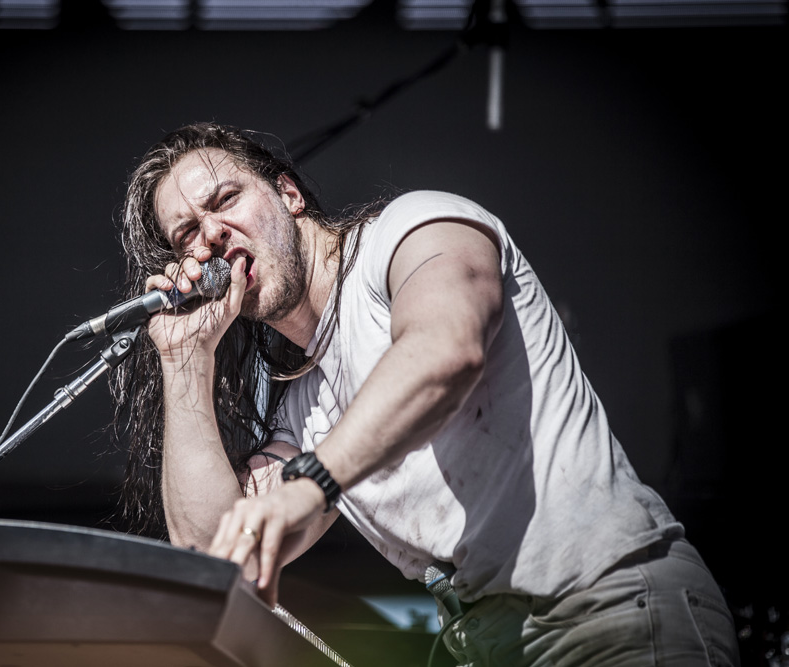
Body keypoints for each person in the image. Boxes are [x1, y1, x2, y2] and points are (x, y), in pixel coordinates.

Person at [110, 122, 739, 666]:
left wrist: (312, 482)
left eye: (226, 200)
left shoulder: (413, 230)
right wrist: (184, 359)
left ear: (289, 194)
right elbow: (217, 554)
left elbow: (445, 349)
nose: (211, 236)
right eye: (186, 234)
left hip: (610, 607)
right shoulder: (305, 405)